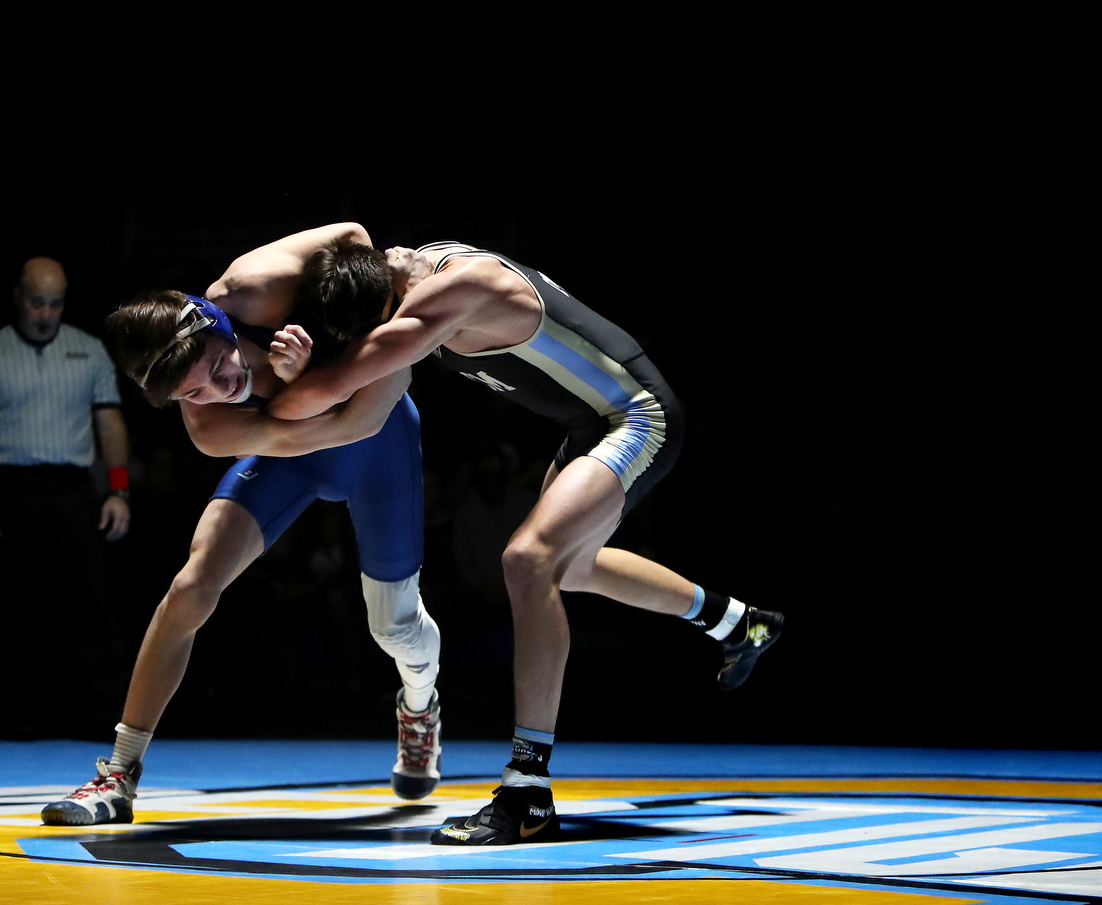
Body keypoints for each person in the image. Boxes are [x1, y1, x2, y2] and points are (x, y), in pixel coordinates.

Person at [269, 239, 784, 846]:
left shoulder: (453, 290)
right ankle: (737, 623)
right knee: (569, 568)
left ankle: (527, 793)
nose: (399, 252)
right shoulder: (411, 285)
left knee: (528, 559)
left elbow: (329, 394)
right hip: (591, 426)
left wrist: (284, 382)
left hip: (637, 416)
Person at [40, 224, 444, 827]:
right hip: (306, 444)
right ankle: (118, 772)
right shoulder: (209, 425)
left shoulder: (255, 286)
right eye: (192, 391)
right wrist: (299, 383)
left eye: (212, 366)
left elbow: (354, 234)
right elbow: (324, 430)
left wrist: (360, 317)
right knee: (190, 587)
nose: (218, 389)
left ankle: (419, 706)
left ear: (217, 324)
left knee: (394, 626)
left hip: (379, 436)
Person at [0, 257, 133, 736]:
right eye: (37, 302)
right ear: (18, 297)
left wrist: (117, 490)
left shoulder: (89, 350)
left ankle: (107, 721)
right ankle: (14, 719)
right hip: (7, 486)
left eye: (55, 304)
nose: (46, 313)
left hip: (73, 488)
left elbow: (110, 423)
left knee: (94, 602)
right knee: (14, 606)